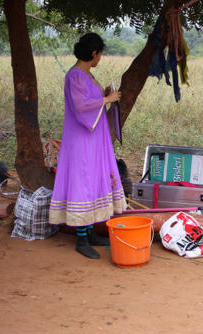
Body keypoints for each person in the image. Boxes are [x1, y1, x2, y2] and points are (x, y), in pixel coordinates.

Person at [49, 32, 127, 259]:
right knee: (83, 182)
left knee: (92, 179)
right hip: (81, 139)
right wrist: (106, 100)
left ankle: (91, 231)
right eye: (100, 54)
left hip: (93, 138)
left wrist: (103, 95)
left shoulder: (87, 75)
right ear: (93, 54)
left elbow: (88, 99)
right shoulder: (75, 76)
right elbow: (81, 106)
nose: (100, 59)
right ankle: (81, 238)